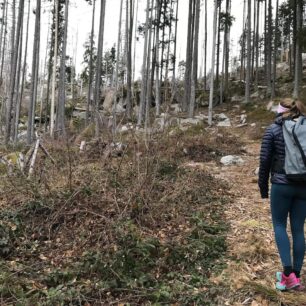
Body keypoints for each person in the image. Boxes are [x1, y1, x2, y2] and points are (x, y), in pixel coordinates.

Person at [258, 98, 306, 291]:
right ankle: (297, 275)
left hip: (281, 184)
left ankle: (287, 276)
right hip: (304, 185)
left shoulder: (273, 129)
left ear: (280, 111)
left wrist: (263, 188)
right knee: (298, 229)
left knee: (279, 225)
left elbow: (265, 161)